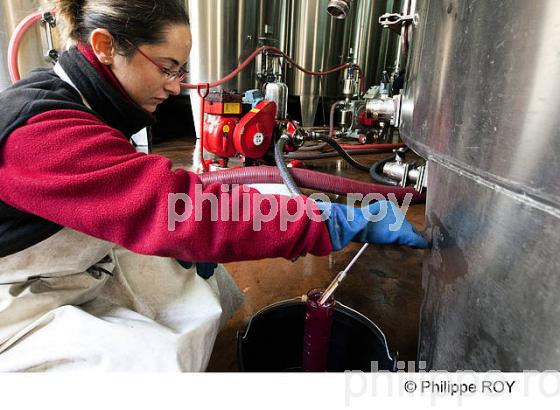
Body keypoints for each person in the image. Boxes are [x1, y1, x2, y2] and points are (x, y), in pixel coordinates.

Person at [0, 0, 427, 371]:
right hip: (17, 299)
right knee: (147, 365)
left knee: (194, 287)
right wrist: (324, 220)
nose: (175, 86)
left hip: (67, 266)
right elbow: (178, 208)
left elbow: (165, 200)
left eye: (181, 70)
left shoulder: (84, 101)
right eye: (167, 68)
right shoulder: (41, 130)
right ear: (105, 47)